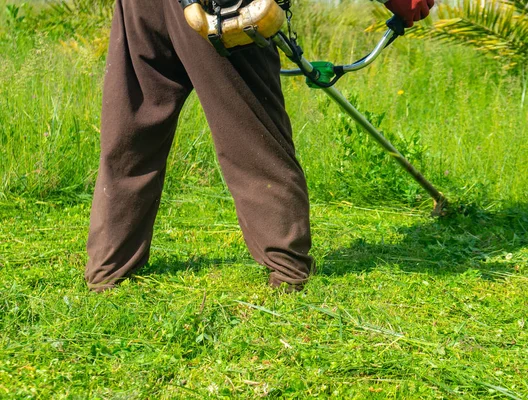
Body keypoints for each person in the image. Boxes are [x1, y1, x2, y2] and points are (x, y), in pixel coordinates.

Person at [84, 0, 435, 293]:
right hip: (213, 7)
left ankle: (109, 267)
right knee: (254, 138)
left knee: (133, 132)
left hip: (143, 8)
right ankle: (287, 271)